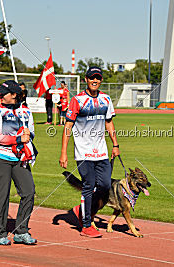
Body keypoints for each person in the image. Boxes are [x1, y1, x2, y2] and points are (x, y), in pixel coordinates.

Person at [59, 66, 120, 238]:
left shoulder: (106, 99)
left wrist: (115, 145)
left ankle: (82, 209)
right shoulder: (77, 100)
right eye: (92, 77)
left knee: (105, 185)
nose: (95, 80)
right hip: (83, 152)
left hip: (101, 152)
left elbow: (109, 123)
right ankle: (86, 225)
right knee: (89, 185)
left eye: (98, 78)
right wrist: (64, 153)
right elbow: (68, 126)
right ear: (86, 79)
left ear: (101, 80)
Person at [0, 80, 38, 246]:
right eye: (0, 93)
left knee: (28, 192)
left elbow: (31, 134)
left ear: (14, 95)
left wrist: (27, 134)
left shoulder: (26, 112)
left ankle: (21, 231)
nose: (0, 96)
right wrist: (17, 138)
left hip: (20, 159)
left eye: (4, 93)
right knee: (3, 196)